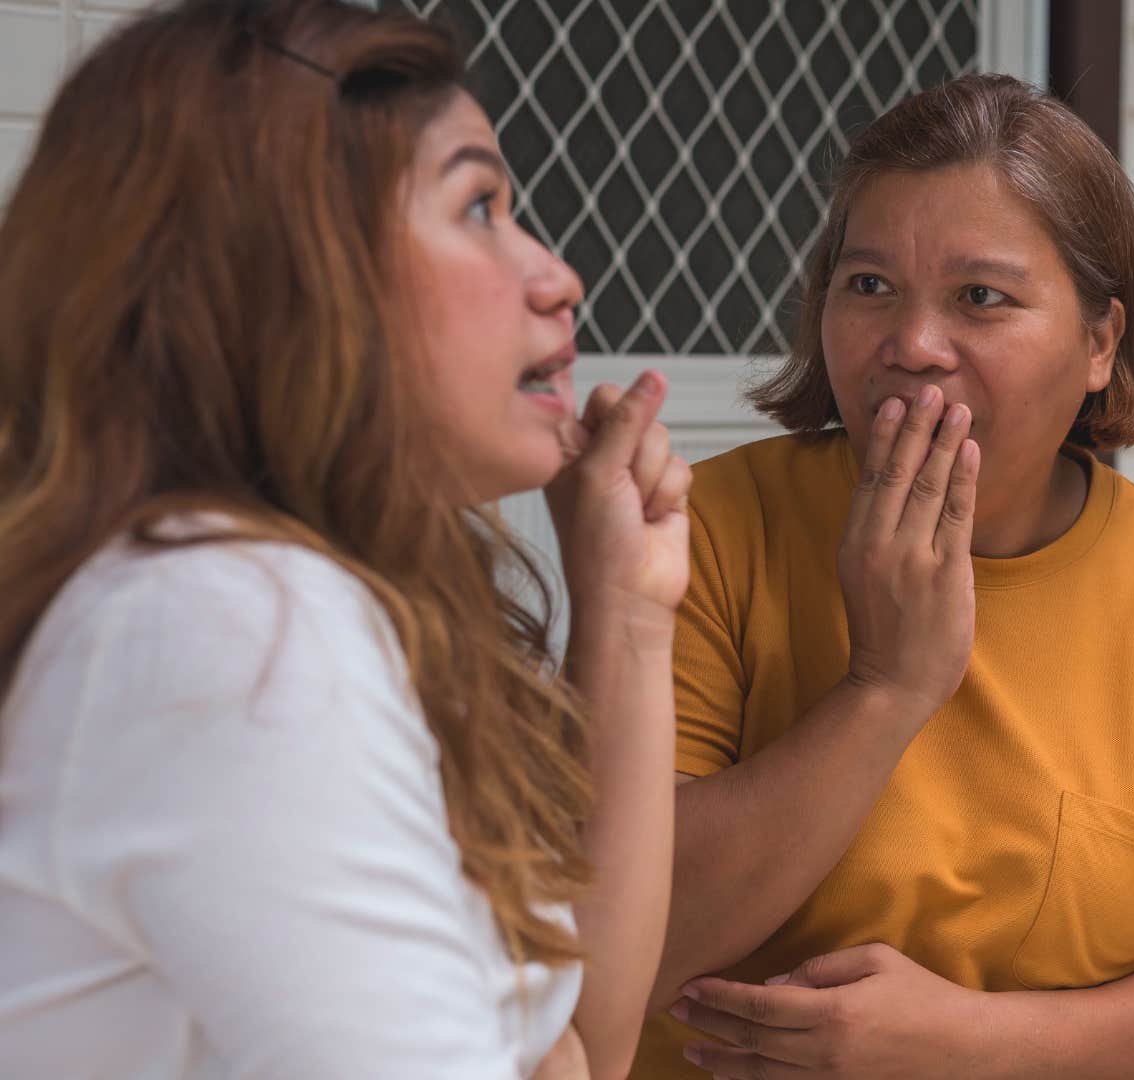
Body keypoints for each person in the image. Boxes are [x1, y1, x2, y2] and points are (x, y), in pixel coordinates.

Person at [0, 2, 687, 1077]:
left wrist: (633, 614)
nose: (556, 277)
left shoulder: (345, 602)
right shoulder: (228, 621)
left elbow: (590, 1035)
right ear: (282, 272)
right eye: (476, 208)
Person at [629, 74, 1134, 1079]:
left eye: (981, 299)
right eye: (868, 286)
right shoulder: (709, 531)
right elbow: (620, 941)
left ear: (1099, 342)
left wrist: (968, 1045)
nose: (911, 347)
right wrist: (886, 686)